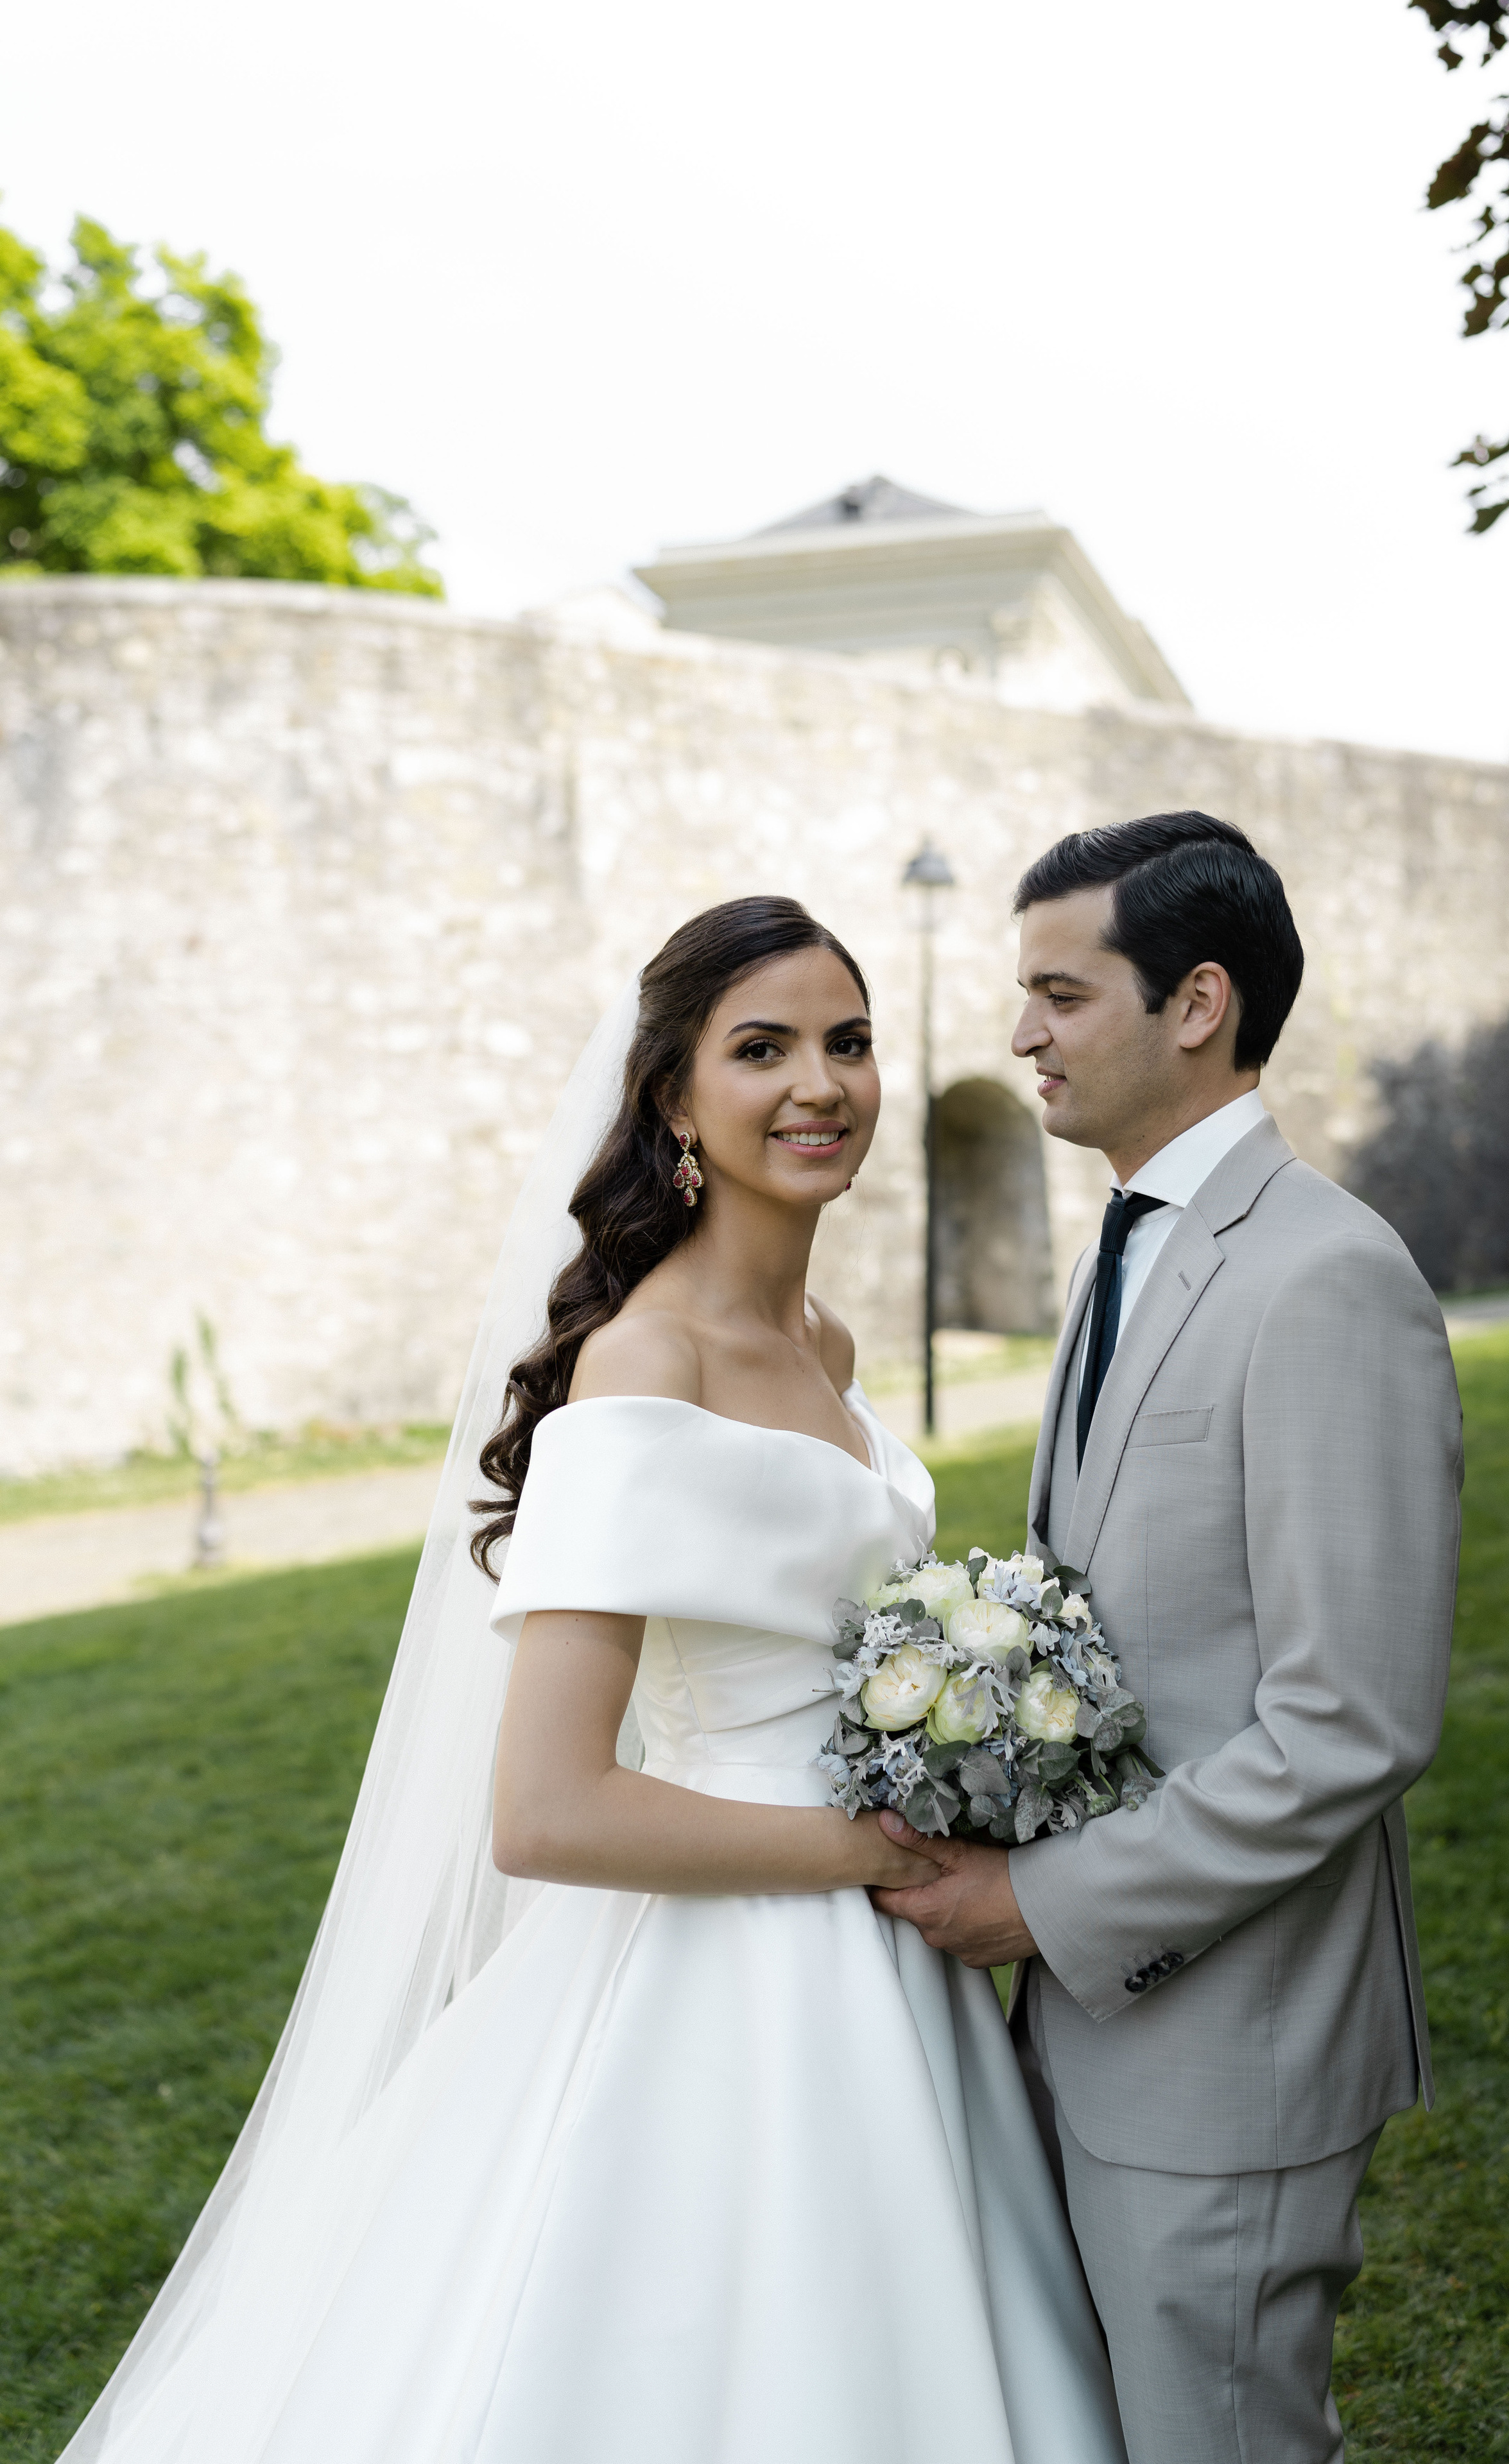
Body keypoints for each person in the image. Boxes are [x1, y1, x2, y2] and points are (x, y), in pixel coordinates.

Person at [63, 896, 1125, 2464]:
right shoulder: (647, 1362)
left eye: (848, 1042)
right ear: (671, 1101)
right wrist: (866, 1851)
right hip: (731, 1966)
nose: (817, 1085)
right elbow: (548, 1810)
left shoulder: (825, 1345)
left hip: (886, 1959)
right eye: (757, 1049)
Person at [873, 814, 1463, 2464]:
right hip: (1093, 2031)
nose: (1019, 1034)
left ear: (1194, 1003)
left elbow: (1348, 1721)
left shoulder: (1327, 1279)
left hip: (1230, 2045)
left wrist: (1037, 1900)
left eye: (1059, 994)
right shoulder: (1124, 1248)